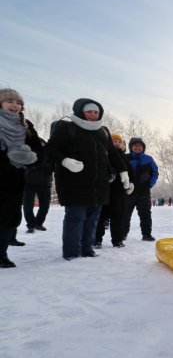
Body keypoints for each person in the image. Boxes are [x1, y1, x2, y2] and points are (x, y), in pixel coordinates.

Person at [45, 98, 129, 260]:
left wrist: (123, 172)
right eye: (89, 111)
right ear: (80, 111)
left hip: (98, 183)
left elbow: (112, 154)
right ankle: (71, 252)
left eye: (96, 112)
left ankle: (87, 248)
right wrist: (65, 160)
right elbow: (50, 148)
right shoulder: (67, 127)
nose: (93, 115)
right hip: (73, 182)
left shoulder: (102, 131)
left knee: (93, 218)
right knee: (75, 217)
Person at [0, 88, 42, 268]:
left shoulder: (26, 126)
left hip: (15, 179)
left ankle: (1, 255)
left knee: (9, 218)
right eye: (10, 101)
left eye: (18, 103)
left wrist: (29, 158)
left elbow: (39, 151)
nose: (14, 105)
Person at [94, 133, 133, 248]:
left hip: (119, 193)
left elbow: (131, 174)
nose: (116, 143)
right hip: (103, 191)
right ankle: (97, 240)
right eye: (113, 141)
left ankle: (117, 240)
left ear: (122, 144)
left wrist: (131, 185)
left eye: (118, 141)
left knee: (118, 217)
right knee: (100, 217)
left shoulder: (126, 158)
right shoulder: (102, 155)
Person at [124, 137, 158, 241]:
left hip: (144, 193)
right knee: (125, 214)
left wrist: (149, 185)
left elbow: (155, 173)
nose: (138, 147)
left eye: (140, 146)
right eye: (135, 146)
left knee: (145, 214)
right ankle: (122, 234)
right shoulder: (125, 158)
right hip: (128, 192)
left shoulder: (149, 159)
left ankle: (146, 234)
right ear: (131, 147)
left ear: (143, 147)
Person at [23, 138, 54, 233]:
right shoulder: (28, 154)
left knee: (45, 206)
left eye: (42, 143)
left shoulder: (50, 154)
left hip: (45, 183)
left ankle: (39, 223)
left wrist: (43, 167)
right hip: (29, 183)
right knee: (28, 206)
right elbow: (23, 165)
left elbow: (53, 166)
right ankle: (31, 225)